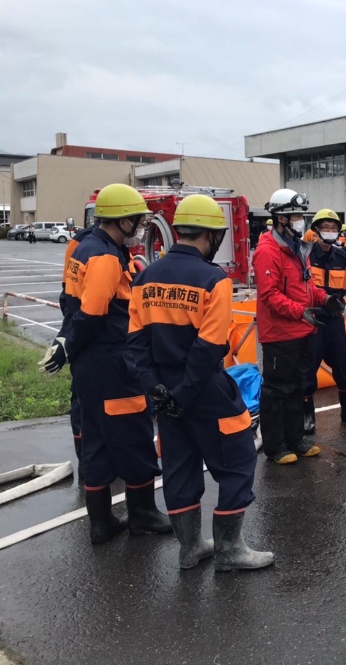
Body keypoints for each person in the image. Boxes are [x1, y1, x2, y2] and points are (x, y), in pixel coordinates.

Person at [128, 195, 273, 572]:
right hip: (204, 390)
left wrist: (157, 390)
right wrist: (185, 392)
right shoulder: (214, 280)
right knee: (239, 460)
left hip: (163, 392)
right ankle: (229, 550)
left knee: (180, 466)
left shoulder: (145, 276)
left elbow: (136, 343)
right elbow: (209, 346)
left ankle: (190, 548)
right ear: (211, 236)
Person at [61, 183, 172, 544]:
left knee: (95, 440)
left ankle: (102, 522)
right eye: (137, 221)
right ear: (122, 221)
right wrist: (72, 344)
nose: (140, 227)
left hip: (89, 365)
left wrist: (67, 346)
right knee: (133, 435)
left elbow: (70, 301)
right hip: (112, 360)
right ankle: (143, 514)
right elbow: (93, 314)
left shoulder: (84, 245)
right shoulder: (107, 258)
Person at [253, 188, 341, 465]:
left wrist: (324, 298)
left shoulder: (297, 248)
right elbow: (269, 296)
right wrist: (300, 312)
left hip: (301, 331)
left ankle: (295, 440)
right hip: (280, 335)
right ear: (281, 218)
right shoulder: (268, 251)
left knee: (296, 388)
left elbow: (306, 284)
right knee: (276, 390)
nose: (301, 220)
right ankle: (275, 446)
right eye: (296, 215)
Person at [39, 224, 98, 481]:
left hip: (95, 335)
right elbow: (71, 296)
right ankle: (87, 462)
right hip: (89, 334)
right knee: (84, 401)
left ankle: (94, 463)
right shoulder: (88, 246)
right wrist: (69, 339)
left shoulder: (91, 244)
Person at [304, 209, 346, 431]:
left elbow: (343, 287)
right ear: (316, 230)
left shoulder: (343, 257)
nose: (329, 232)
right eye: (325, 228)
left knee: (343, 365)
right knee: (307, 369)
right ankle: (307, 415)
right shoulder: (305, 255)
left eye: (333, 228)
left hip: (335, 320)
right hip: (312, 320)